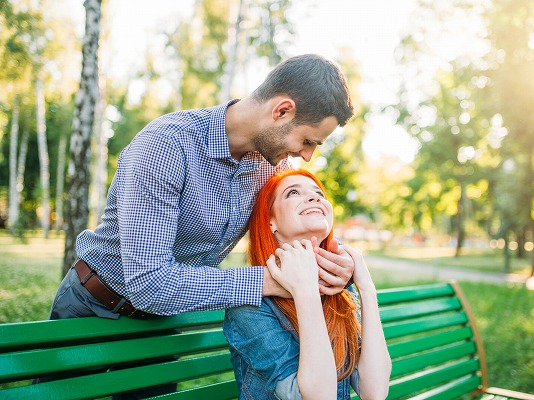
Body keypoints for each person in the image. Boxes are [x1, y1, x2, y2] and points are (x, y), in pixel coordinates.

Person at [43, 54, 355, 398]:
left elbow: (290, 224)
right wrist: (268, 281)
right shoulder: (167, 145)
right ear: (282, 111)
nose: (307, 156)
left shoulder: (269, 167)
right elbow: (149, 283)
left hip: (161, 322)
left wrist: (333, 265)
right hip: (92, 305)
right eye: (308, 141)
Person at [224, 169, 391, 399]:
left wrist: (366, 288)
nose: (315, 198)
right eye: (293, 192)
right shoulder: (250, 303)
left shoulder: (336, 287)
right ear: (270, 221)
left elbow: (375, 392)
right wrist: (306, 291)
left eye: (318, 193)